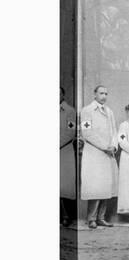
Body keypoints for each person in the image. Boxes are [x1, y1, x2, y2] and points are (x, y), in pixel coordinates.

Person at [80, 85, 118, 229]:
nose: (104, 96)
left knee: (106, 187)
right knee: (95, 186)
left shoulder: (109, 112)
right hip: (94, 154)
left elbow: (114, 132)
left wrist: (113, 146)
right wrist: (104, 146)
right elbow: (87, 133)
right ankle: (91, 218)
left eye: (106, 94)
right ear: (94, 94)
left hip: (108, 154)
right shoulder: (87, 111)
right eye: (101, 93)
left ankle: (101, 218)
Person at [60, 87, 77, 227]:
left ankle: (66, 216)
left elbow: (70, 133)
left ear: (63, 95)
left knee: (64, 185)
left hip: (64, 151)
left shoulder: (70, 112)